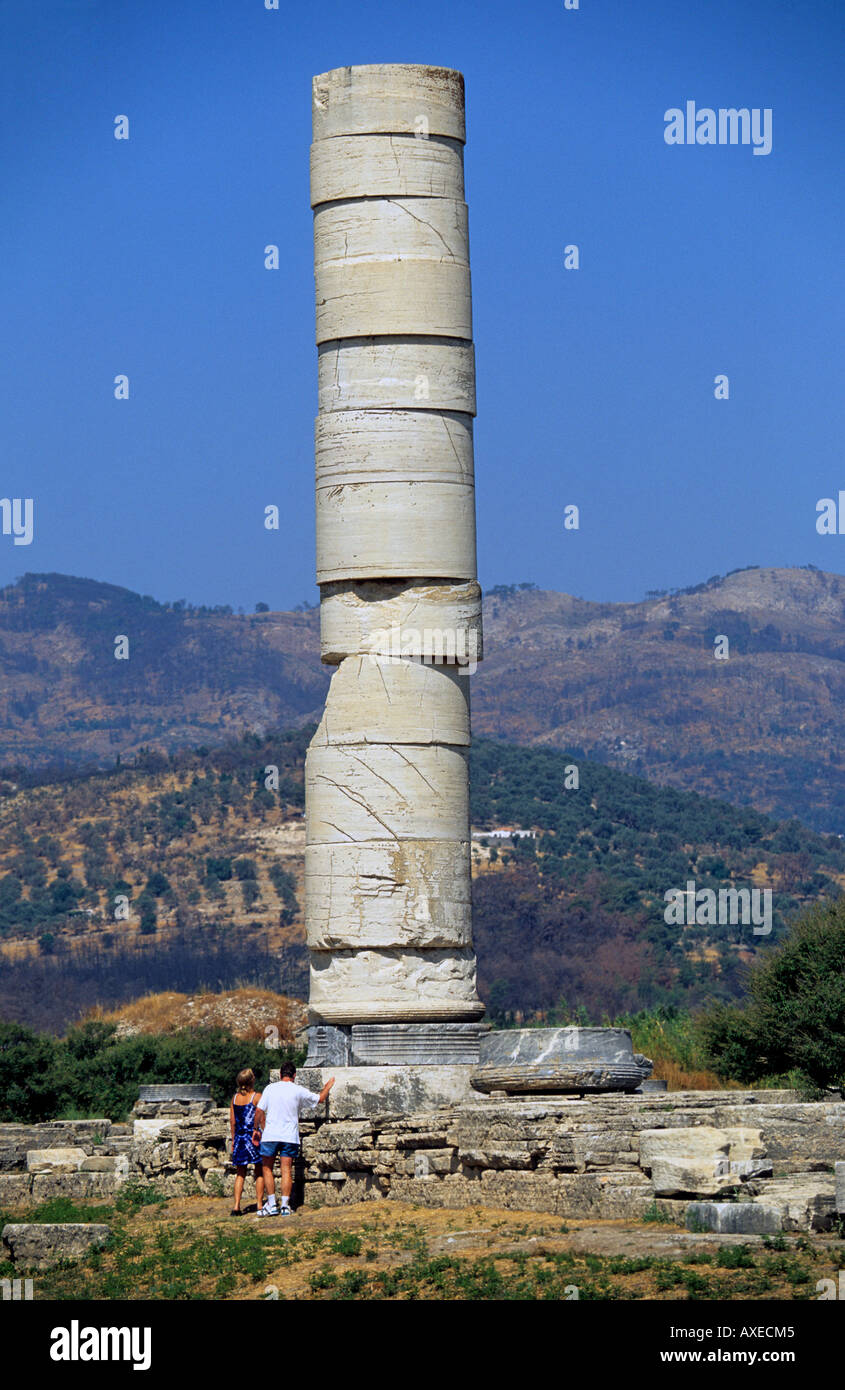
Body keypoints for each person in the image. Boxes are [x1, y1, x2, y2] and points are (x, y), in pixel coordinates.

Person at [252, 1061, 335, 1216]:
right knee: (286, 1170)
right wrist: (328, 1086)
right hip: (289, 1136)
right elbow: (320, 1099)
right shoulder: (297, 1090)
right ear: (294, 1075)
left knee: (267, 1169)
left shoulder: (270, 1088)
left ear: (280, 1074)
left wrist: (256, 1129)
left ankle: (271, 1204)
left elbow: (258, 1111)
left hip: (271, 1135)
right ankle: (284, 1205)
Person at [229, 1069, 264, 1216]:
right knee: (259, 1171)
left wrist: (233, 1139)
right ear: (251, 1081)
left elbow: (232, 1121)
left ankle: (236, 1206)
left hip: (239, 1138)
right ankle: (260, 1204)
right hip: (253, 1138)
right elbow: (261, 1117)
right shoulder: (256, 1097)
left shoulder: (235, 1098)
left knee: (240, 1174)